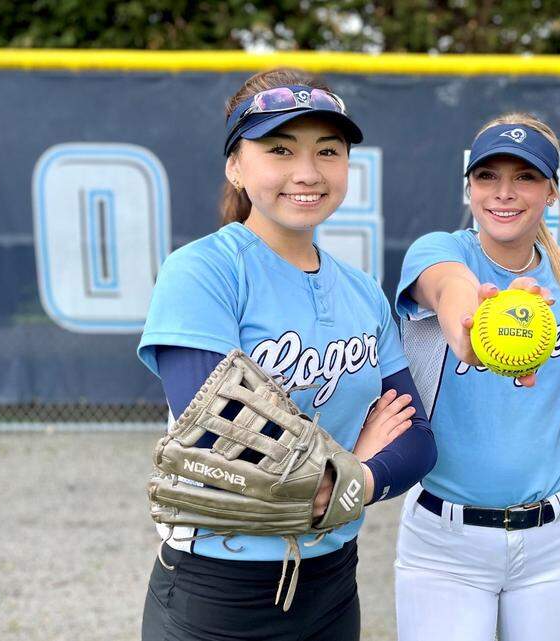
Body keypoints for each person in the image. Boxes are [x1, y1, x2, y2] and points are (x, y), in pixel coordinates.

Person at [136, 68, 436, 641]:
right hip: (219, 588)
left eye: (328, 150)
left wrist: (353, 480)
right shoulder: (204, 270)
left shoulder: (361, 290)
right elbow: (218, 439)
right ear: (236, 166)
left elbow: (417, 439)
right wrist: (355, 462)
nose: (307, 172)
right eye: (279, 149)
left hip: (332, 583)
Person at [393, 113, 560, 641]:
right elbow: (450, 292)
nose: (504, 192)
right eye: (488, 176)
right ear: (468, 187)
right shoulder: (438, 251)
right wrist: (478, 331)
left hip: (556, 540)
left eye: (525, 177)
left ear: (552, 191)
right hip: (445, 540)